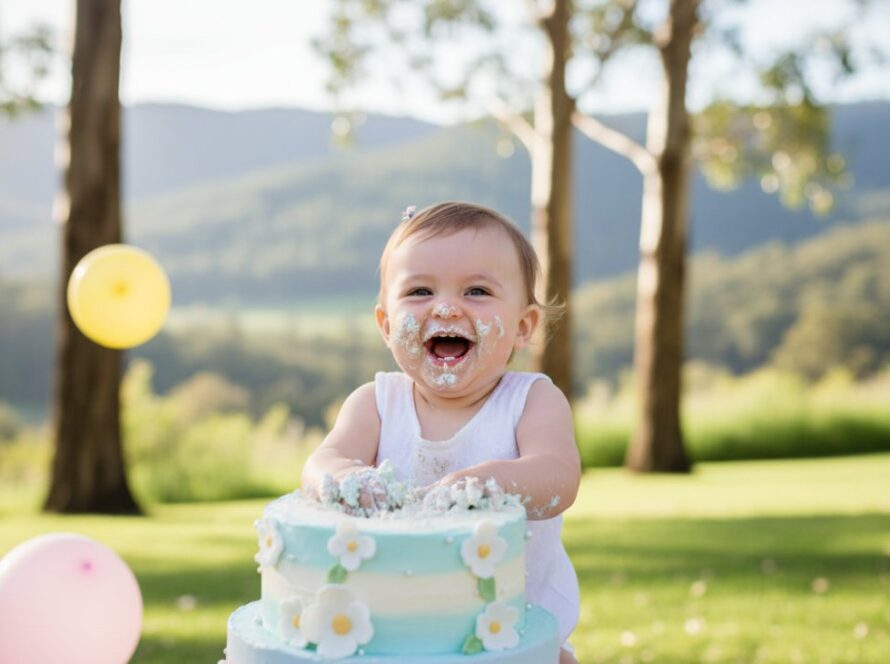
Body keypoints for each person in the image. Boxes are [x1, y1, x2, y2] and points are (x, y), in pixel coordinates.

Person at [302, 201, 582, 663]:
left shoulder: (532, 401)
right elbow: (320, 465)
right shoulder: (375, 404)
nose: (447, 307)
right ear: (387, 326)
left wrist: (491, 482)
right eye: (419, 291)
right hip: (391, 638)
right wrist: (346, 478)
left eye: (476, 291)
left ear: (523, 326)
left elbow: (558, 477)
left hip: (515, 636)